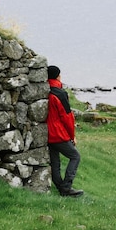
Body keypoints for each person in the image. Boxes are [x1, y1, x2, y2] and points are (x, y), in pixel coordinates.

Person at [46, 65, 84, 197]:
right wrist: (72, 136)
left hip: (46, 133)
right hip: (58, 133)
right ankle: (66, 188)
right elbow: (67, 118)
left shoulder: (44, 90)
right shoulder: (60, 93)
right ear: (58, 76)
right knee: (75, 156)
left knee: (55, 162)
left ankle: (60, 187)